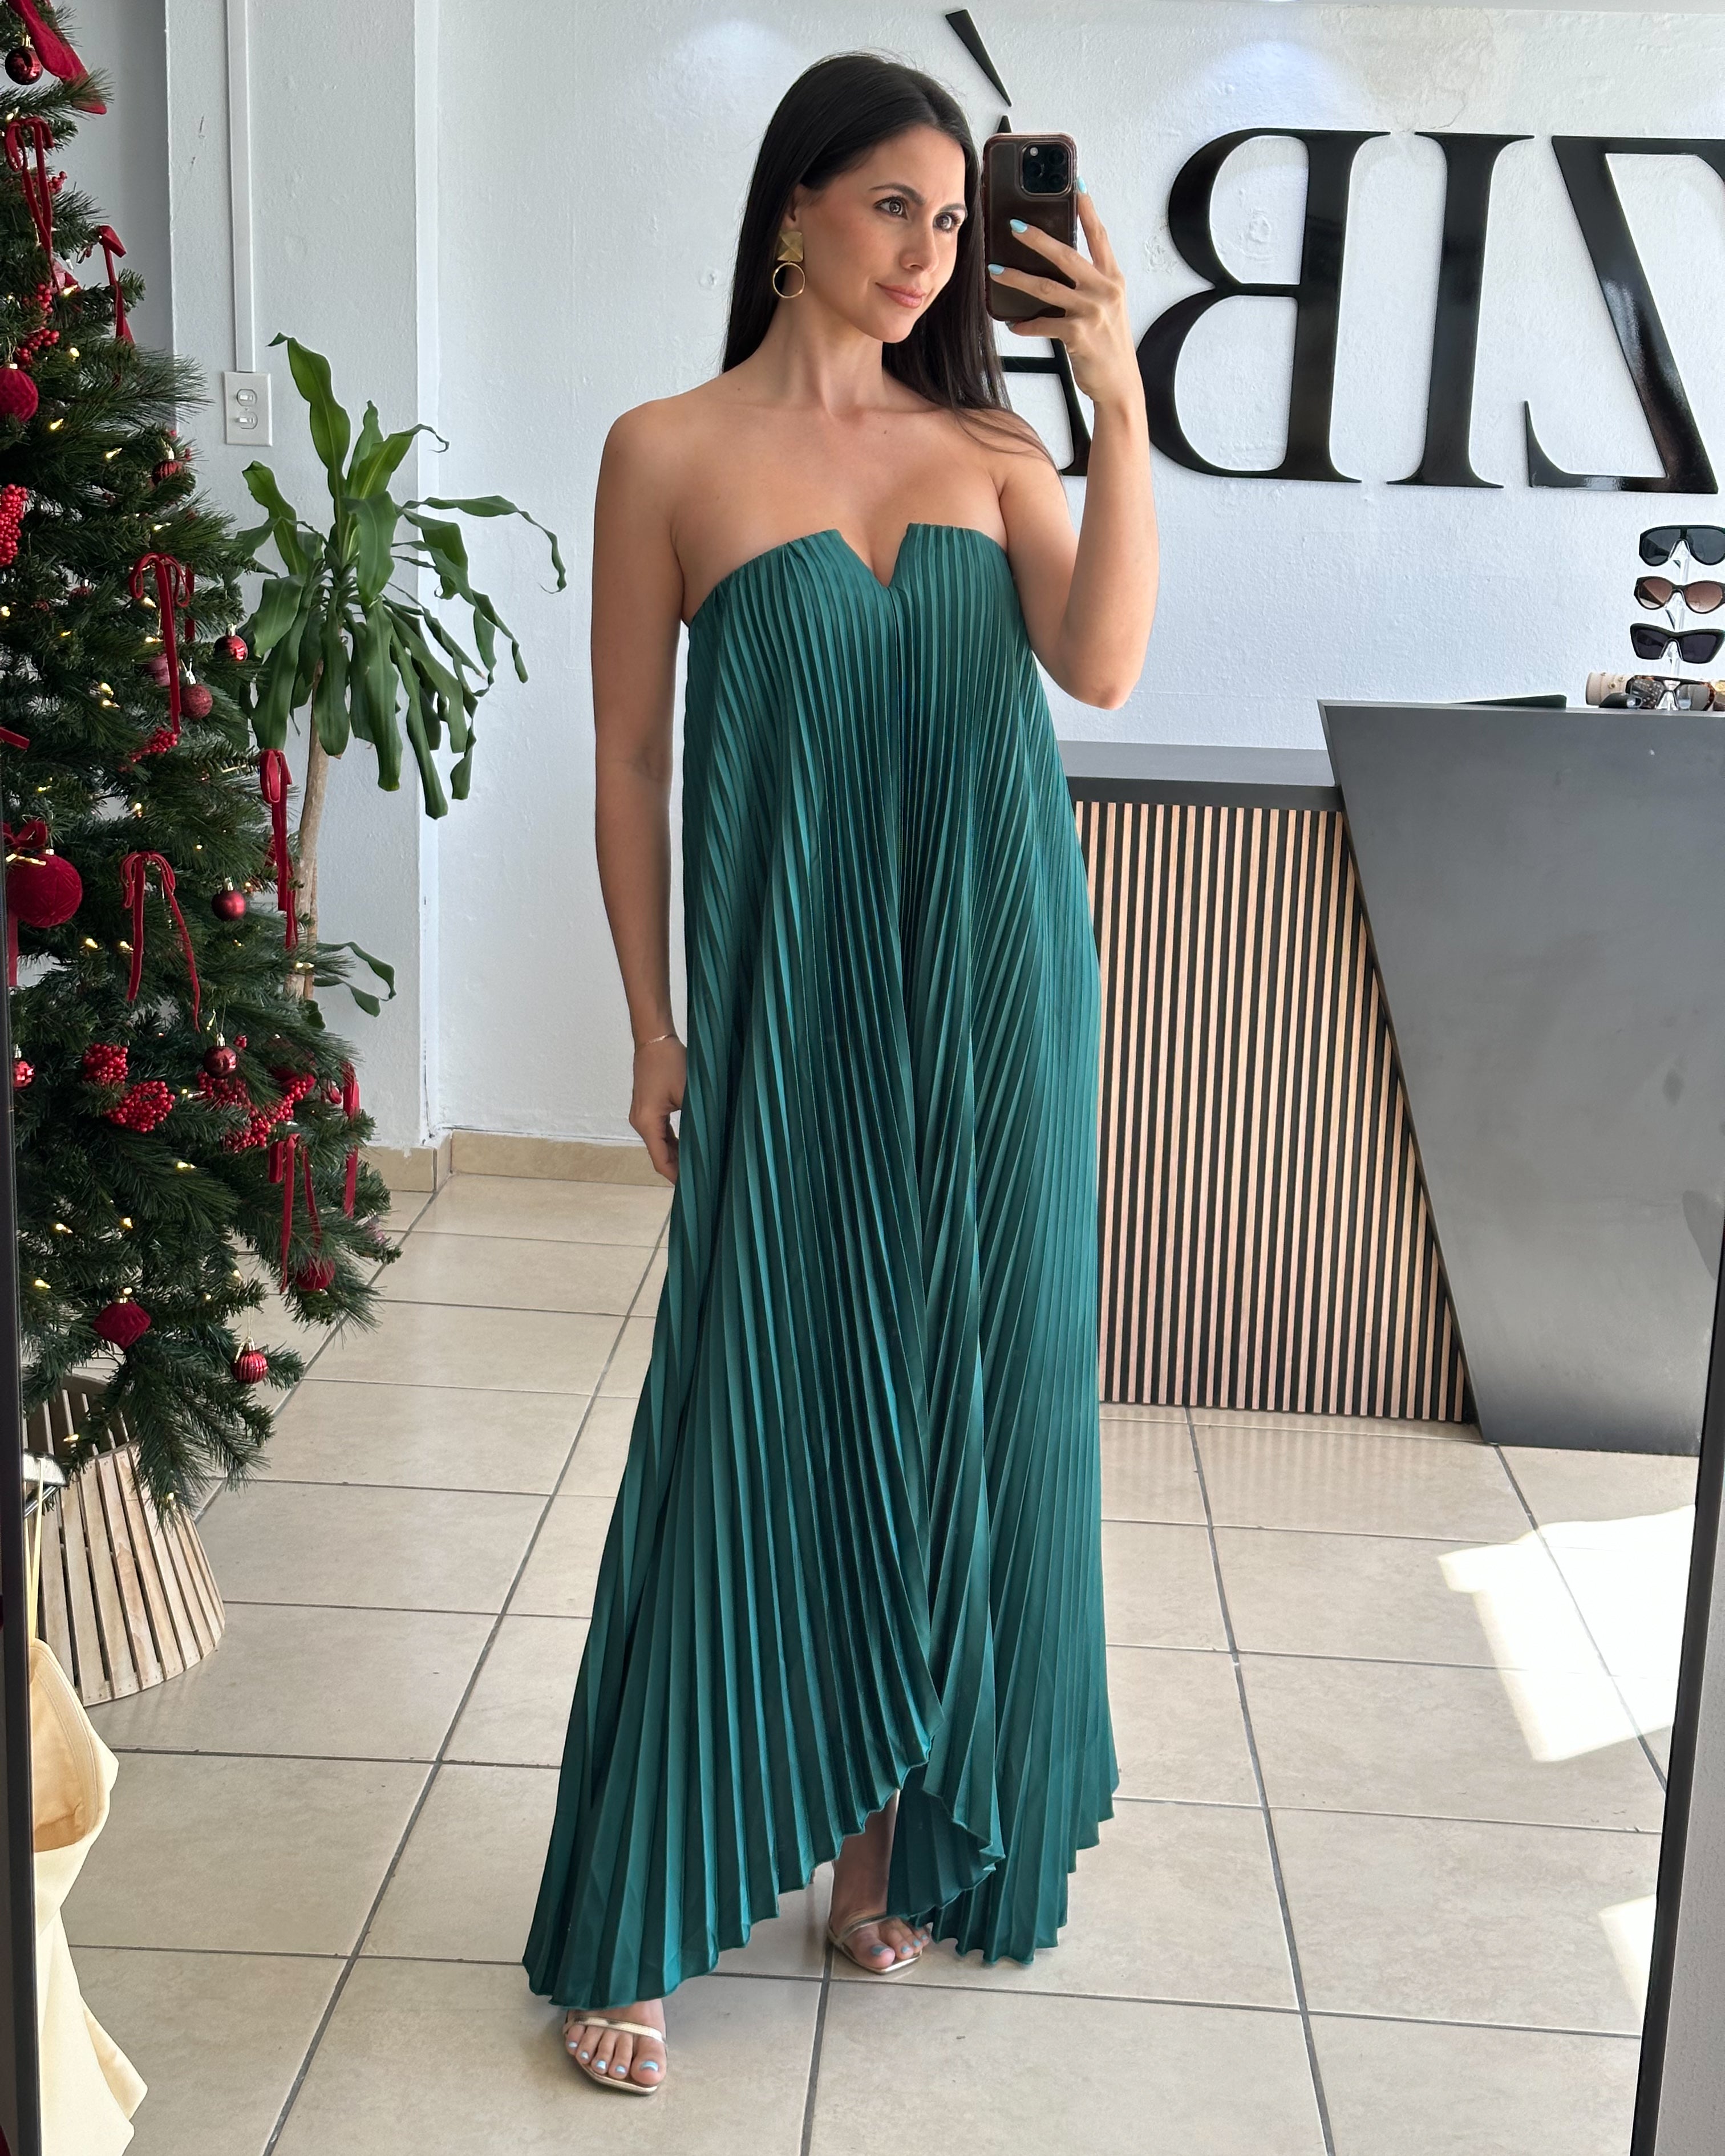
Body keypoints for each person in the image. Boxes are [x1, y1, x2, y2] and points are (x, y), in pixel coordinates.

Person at [523, 48, 1157, 2096]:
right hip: (786, 1011)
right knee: (756, 1396)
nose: (931, 252)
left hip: (996, 1001)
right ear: (794, 204)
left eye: (955, 220)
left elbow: (1102, 664)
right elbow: (629, 760)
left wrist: (1118, 406)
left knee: (970, 1395)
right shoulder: (667, 451)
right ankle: (650, 1902)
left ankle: (890, 1837)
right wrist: (651, 1021)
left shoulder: (993, 447)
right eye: (895, 204)